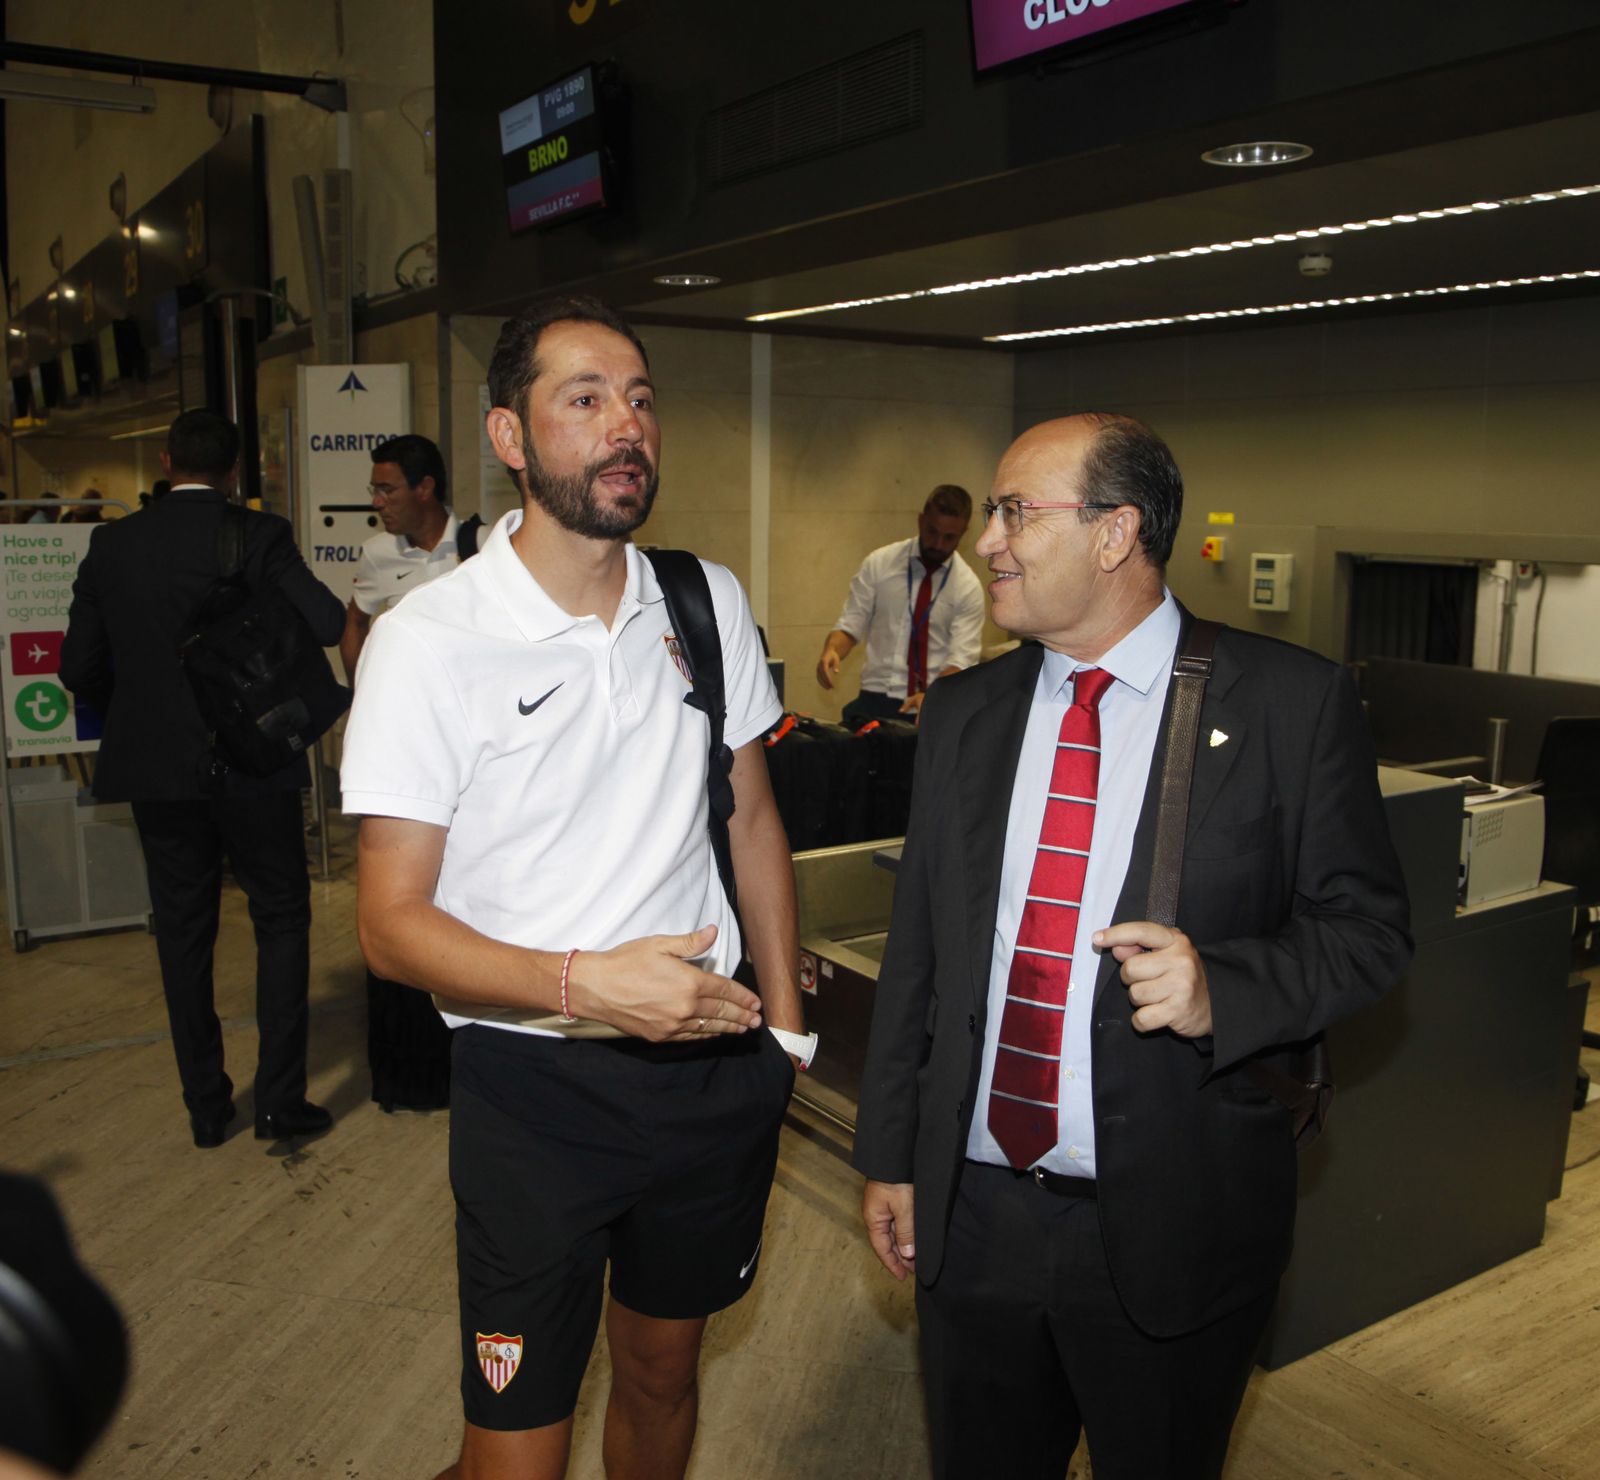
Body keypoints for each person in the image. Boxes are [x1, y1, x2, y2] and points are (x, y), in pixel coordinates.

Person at [852, 412, 1412, 1480]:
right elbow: (919, 954)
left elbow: (1370, 934)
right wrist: (890, 1152)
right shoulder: (968, 711)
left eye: (1018, 512)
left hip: (1171, 1220)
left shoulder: (1289, 704)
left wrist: (1222, 987)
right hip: (972, 1216)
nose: (989, 540)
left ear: (1115, 533)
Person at [342, 294, 808, 1480]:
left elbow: (750, 813)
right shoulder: (428, 641)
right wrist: (583, 985)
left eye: (641, 400)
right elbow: (391, 927)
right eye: (585, 400)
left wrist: (787, 1040)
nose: (625, 428)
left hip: (710, 1072)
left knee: (662, 1372)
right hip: (533, 1088)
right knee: (515, 1447)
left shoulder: (701, 601)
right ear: (509, 437)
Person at [60, 410, 344, 1150]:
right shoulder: (258, 535)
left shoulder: (112, 543)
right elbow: (321, 621)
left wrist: (143, 702)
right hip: (256, 763)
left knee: (183, 930)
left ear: (163, 459)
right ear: (234, 470)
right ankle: (281, 1104)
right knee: (280, 917)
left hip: (156, 770)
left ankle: (207, 1108)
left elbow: (76, 668)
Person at [815, 484, 985, 727]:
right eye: (932, 531)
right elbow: (850, 625)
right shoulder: (880, 563)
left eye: (949, 537)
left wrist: (933, 696)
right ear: (920, 521)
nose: (938, 543)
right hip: (875, 697)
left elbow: (961, 661)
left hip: (930, 702)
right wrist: (831, 651)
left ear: (964, 533)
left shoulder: (967, 587)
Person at [339, 433, 462, 680]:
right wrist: (362, 693)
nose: (377, 502)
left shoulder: (482, 543)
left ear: (425, 488)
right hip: (408, 704)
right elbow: (354, 621)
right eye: (375, 490)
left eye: (387, 490)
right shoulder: (378, 552)